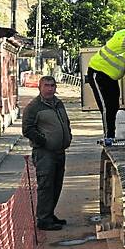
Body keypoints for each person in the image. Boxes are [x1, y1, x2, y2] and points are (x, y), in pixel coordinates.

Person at [21, 75, 72, 231]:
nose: (50, 89)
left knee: (57, 184)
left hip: (59, 151)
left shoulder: (58, 103)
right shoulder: (34, 107)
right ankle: (43, 219)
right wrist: (43, 141)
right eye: (47, 86)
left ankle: (50, 214)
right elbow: (27, 129)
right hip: (45, 153)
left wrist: (68, 134)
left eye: (52, 85)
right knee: (46, 185)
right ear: (40, 87)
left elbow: (65, 122)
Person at [86, 28, 125, 141]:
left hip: (110, 76)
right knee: (106, 107)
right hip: (98, 72)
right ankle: (109, 137)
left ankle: (112, 134)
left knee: (114, 106)